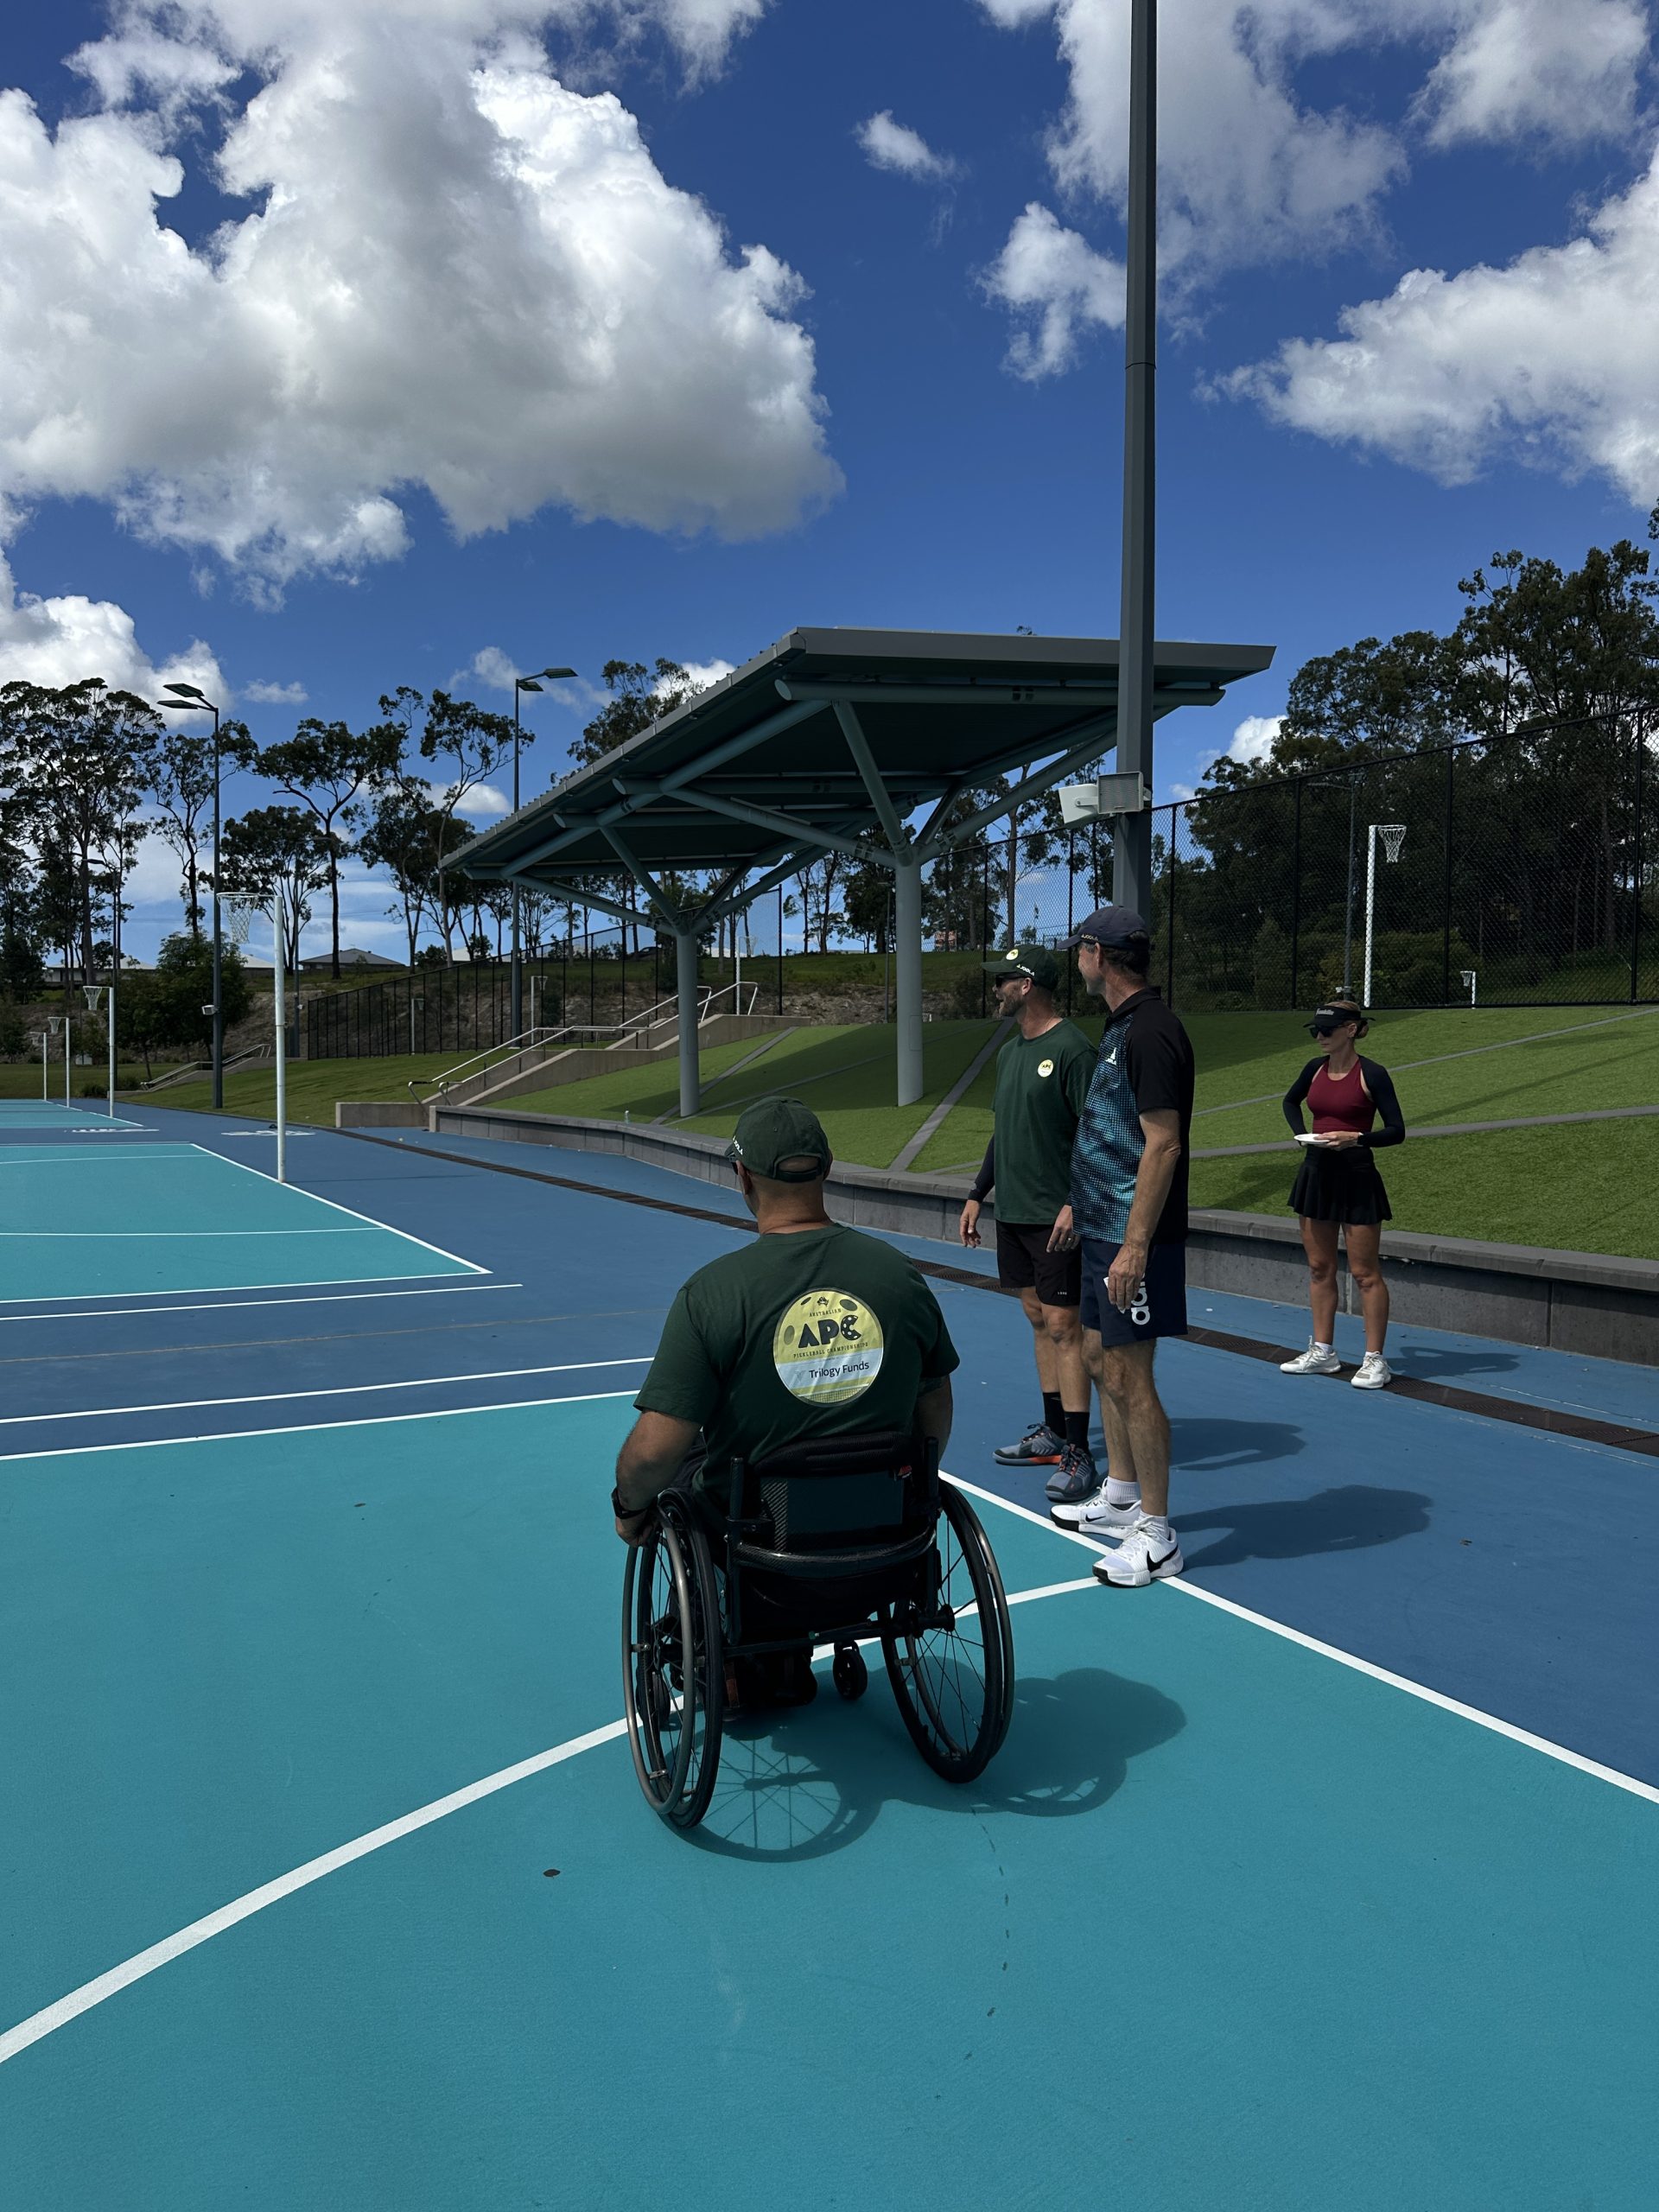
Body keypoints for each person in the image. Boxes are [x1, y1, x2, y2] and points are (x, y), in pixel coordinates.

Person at [612, 1094, 958, 1704]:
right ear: (827, 1166)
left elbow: (652, 1453)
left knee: (685, 1476)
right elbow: (935, 1414)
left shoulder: (713, 1294)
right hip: (886, 1549)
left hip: (765, 1565)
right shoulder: (899, 1275)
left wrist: (629, 1506)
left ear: (742, 1177)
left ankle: (735, 1669)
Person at [1047, 906, 1193, 1588]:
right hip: (1102, 1225)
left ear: (1097, 954)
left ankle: (1159, 1535)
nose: (1076, 958)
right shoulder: (1122, 1028)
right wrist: (1081, 1200)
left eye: (1079, 948)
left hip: (1135, 1238)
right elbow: (1114, 1132)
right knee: (1101, 1356)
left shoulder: (1153, 1032)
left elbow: (1162, 1142)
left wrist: (1136, 1246)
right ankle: (1124, 1492)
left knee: (1133, 1375)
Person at [958, 944, 1100, 1504]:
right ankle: (1052, 1432)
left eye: (1003, 981)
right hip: (1013, 1213)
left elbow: (1096, 1134)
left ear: (1028, 984)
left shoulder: (1073, 1050)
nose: (995, 989)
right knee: (1038, 1318)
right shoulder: (1011, 1052)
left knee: (1066, 1326)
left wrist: (1075, 1202)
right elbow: (1004, 1130)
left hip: (1055, 1217)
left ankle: (1079, 1451)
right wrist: (977, 1194)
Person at [1278, 1000, 1405, 1389]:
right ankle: (1323, 1352)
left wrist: (1357, 1138)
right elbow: (1289, 1101)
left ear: (1351, 1030)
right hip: (1316, 1174)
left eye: (1327, 1030)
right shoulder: (1313, 1069)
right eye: (1315, 1031)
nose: (1319, 1036)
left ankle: (1374, 1359)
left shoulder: (1373, 1074)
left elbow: (1396, 1130)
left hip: (1357, 1176)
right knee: (1320, 1268)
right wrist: (1302, 1135)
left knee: (1366, 1273)